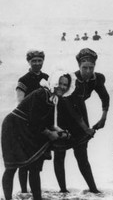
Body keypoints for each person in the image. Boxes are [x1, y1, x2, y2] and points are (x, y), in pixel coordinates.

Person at [2, 71, 73, 200]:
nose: (63, 87)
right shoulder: (42, 93)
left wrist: (62, 132)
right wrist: (51, 134)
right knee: (12, 166)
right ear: (53, 82)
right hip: (13, 126)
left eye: (65, 85)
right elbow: (35, 121)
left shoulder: (53, 98)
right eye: (60, 83)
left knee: (34, 167)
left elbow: (50, 123)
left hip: (27, 128)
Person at [53, 48, 109, 193]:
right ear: (79, 66)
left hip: (80, 113)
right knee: (60, 155)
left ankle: (94, 190)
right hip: (63, 115)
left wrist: (103, 116)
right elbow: (72, 110)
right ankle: (63, 190)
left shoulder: (96, 79)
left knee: (82, 156)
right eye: (84, 68)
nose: (88, 71)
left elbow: (105, 97)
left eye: (91, 68)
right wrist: (86, 128)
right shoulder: (71, 80)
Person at [15, 50, 49, 193]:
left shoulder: (47, 77)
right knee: (24, 161)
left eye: (39, 60)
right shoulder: (23, 79)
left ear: (43, 61)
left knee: (37, 160)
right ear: (28, 62)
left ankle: (34, 192)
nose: (36, 63)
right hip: (25, 123)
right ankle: (24, 192)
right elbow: (20, 102)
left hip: (41, 122)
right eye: (33, 61)